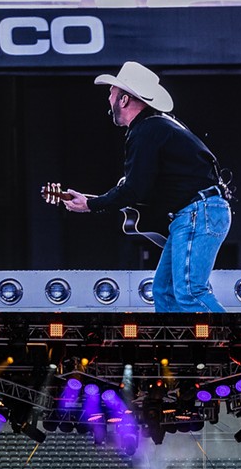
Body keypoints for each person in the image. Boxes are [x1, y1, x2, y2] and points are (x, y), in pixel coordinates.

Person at [61, 61, 231, 313]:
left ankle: (233, 345)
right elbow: (146, 189)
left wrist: (91, 204)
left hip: (198, 213)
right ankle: (185, 350)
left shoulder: (147, 130)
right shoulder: (158, 126)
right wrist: (102, 200)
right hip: (198, 212)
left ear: (125, 99)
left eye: (112, 93)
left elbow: (134, 190)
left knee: (191, 293)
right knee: (166, 292)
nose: (108, 99)